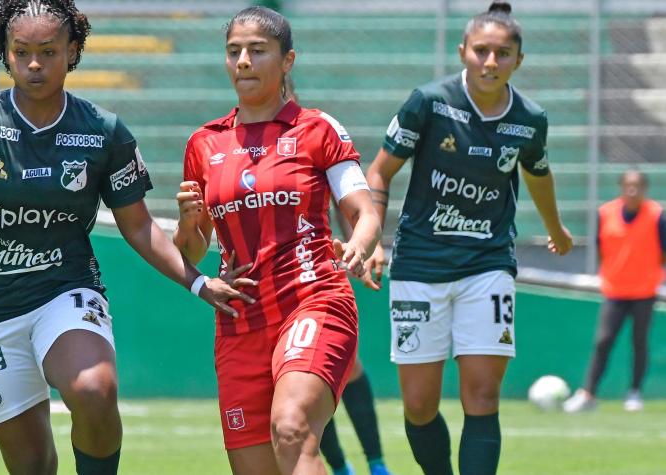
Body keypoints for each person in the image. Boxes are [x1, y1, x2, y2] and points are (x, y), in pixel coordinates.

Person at [0, 1, 251, 474]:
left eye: (47, 51)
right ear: (4, 54)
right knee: (33, 466)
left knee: (95, 389)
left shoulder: (103, 131)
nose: (33, 64)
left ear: (72, 51)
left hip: (64, 292)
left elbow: (139, 225)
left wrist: (197, 281)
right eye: (21, 51)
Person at [357, 2, 573, 474]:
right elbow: (378, 171)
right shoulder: (428, 103)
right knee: (419, 405)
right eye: (481, 51)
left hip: (488, 266)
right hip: (418, 267)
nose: (490, 62)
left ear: (519, 59)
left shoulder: (530, 119)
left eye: (502, 53)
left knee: (482, 395)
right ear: (463, 52)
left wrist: (555, 228)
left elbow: (537, 172)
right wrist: (372, 238)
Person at [173, 6, 382, 474]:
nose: (243, 61)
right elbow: (191, 250)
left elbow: (363, 212)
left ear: (287, 61)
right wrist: (188, 223)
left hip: (313, 299)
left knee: (291, 427)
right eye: (234, 52)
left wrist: (360, 244)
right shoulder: (203, 144)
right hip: (238, 320)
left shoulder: (318, 129)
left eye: (257, 50)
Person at [563, 169, 664, 413]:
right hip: (615, 290)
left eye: (637, 186)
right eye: (628, 185)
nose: (632, 190)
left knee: (639, 342)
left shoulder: (657, 215)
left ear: (644, 189)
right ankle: (588, 393)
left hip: (644, 290)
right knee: (603, 341)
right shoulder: (605, 213)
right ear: (621, 188)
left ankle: (634, 392)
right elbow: (600, 247)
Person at [319, 214, 392, 475]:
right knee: (303, 380)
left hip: (316, 269)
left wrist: (362, 246)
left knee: (346, 367)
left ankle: (376, 464)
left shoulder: (322, 172)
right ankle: (340, 466)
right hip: (266, 279)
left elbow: (349, 204)